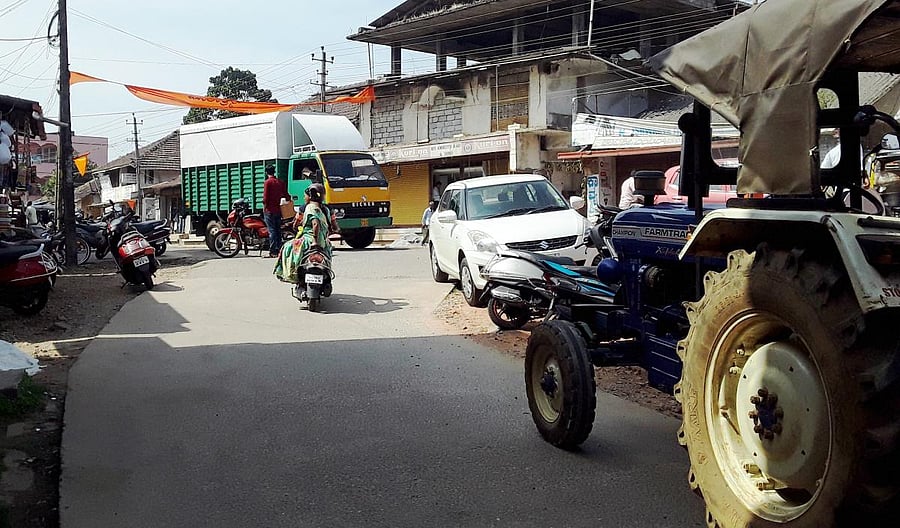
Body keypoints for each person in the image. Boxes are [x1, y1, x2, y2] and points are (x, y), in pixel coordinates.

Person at [274, 184, 334, 284]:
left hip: (310, 241)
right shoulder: (327, 209)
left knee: (287, 247)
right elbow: (333, 225)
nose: (304, 197)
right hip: (324, 242)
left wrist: (314, 241)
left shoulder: (309, 208)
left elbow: (315, 224)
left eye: (305, 195)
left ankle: (293, 273)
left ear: (310, 196)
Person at [262, 165, 290, 257]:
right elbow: (286, 195)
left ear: (266, 172)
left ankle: (273, 251)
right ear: (274, 171)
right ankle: (279, 249)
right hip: (278, 210)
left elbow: (265, 198)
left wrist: (265, 207)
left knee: (272, 230)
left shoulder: (267, 182)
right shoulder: (280, 182)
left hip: (269, 210)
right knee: (278, 230)